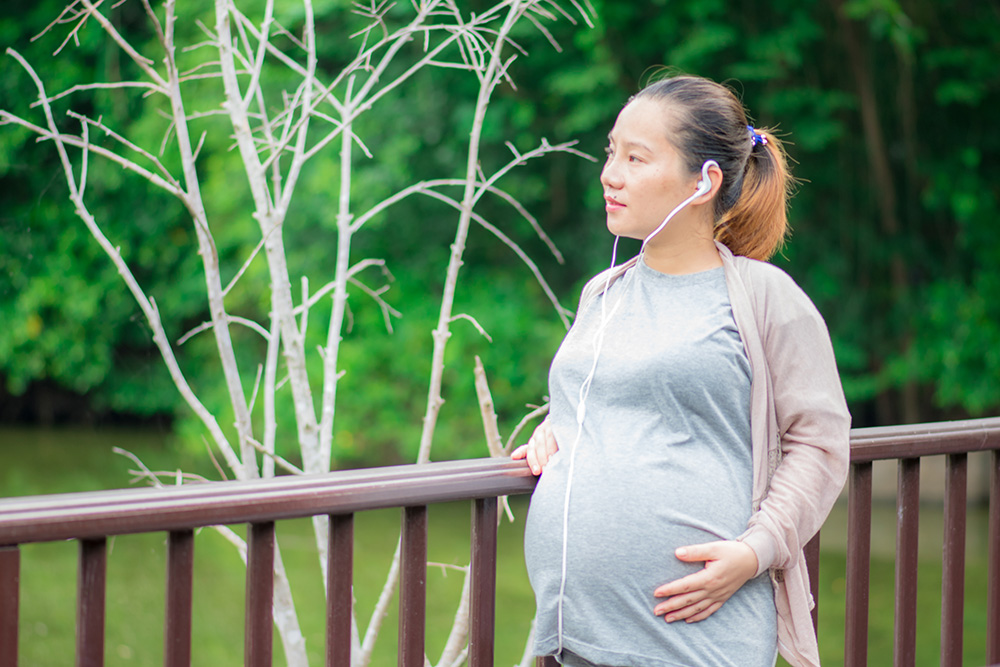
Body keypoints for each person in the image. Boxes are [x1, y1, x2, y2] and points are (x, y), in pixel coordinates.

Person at [511, 74, 851, 667]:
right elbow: (603, 403)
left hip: (698, 641)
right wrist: (561, 431)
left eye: (636, 158)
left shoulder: (763, 296)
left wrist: (755, 550)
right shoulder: (602, 293)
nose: (610, 174)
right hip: (579, 637)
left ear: (704, 181)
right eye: (610, 152)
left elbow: (820, 442)